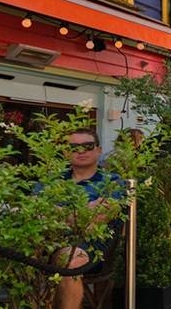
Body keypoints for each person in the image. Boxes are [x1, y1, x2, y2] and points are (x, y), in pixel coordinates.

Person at [53, 128, 123, 309]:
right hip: (46, 241)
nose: (81, 151)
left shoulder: (111, 181)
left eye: (88, 146)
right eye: (74, 147)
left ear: (99, 150)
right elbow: (36, 212)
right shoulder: (53, 180)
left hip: (91, 246)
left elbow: (101, 216)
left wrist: (58, 212)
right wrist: (85, 212)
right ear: (66, 152)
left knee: (68, 262)